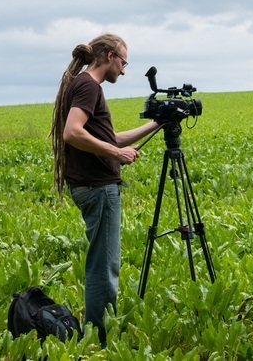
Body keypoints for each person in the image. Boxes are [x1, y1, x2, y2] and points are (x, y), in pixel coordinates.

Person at [50, 33, 159, 347]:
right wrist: (115, 155)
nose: (124, 71)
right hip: (98, 189)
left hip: (93, 187)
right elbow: (73, 132)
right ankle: (98, 338)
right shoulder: (88, 86)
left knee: (103, 261)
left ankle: (97, 332)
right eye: (124, 62)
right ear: (110, 56)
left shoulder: (83, 85)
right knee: (104, 264)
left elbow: (113, 138)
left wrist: (158, 122)